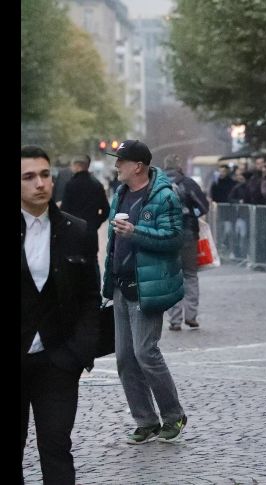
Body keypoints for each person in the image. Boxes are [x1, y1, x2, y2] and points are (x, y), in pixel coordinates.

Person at [21, 145, 101, 484]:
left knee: (56, 447)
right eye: (28, 177)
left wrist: (76, 354)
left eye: (45, 175)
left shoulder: (77, 231)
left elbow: (89, 299)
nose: (40, 183)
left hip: (58, 361)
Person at [102, 140, 188, 445]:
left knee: (145, 352)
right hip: (121, 284)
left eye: (120, 161)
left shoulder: (163, 196)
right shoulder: (120, 194)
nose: (116, 166)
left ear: (138, 166)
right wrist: (109, 277)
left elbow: (174, 239)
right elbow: (114, 243)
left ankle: (173, 414)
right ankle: (146, 420)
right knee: (125, 358)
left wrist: (136, 232)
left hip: (147, 286)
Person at [162, 154, 209, 331]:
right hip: (188, 234)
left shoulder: (156, 184)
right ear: (179, 166)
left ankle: (174, 319)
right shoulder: (188, 183)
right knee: (190, 275)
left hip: (166, 236)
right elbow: (203, 206)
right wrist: (191, 215)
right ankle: (191, 315)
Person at [60, 154, 110, 253]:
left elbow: (64, 211)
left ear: (77, 166)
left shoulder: (70, 185)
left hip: (73, 233)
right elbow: (106, 210)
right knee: (92, 263)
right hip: (91, 233)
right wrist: (95, 223)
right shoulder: (97, 185)